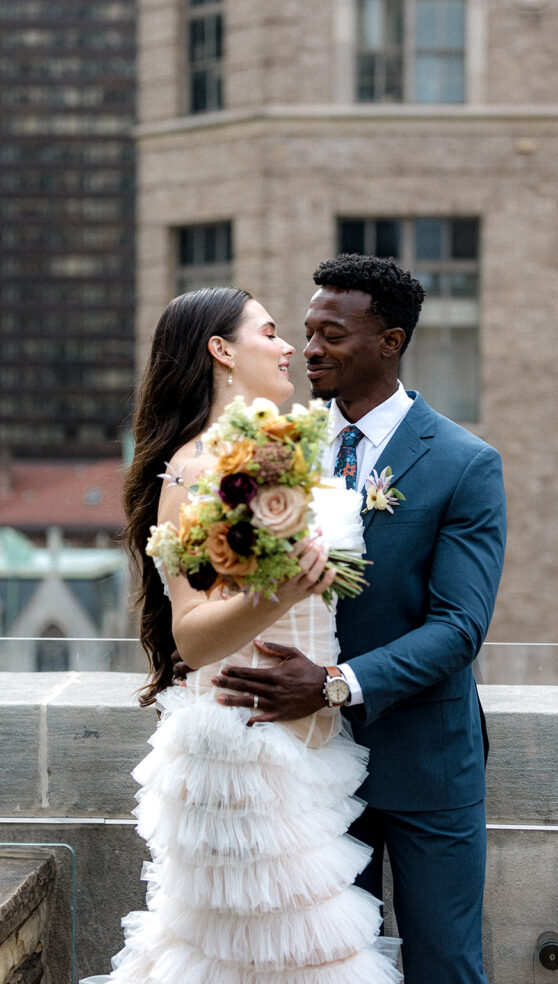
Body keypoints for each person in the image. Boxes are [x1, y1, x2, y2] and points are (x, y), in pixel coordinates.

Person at [82, 286, 402, 984]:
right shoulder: (195, 470)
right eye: (270, 332)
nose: (289, 347)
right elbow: (193, 638)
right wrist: (281, 591)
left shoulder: (272, 453)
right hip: (243, 750)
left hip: (307, 744)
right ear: (221, 351)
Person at [210, 255, 507, 984]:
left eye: (331, 334)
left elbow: (459, 627)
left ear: (390, 341)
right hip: (304, 765)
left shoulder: (465, 464)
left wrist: (337, 683)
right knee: (326, 968)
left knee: (445, 965)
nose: (310, 349)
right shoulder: (277, 453)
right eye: (306, 332)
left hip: (425, 767)